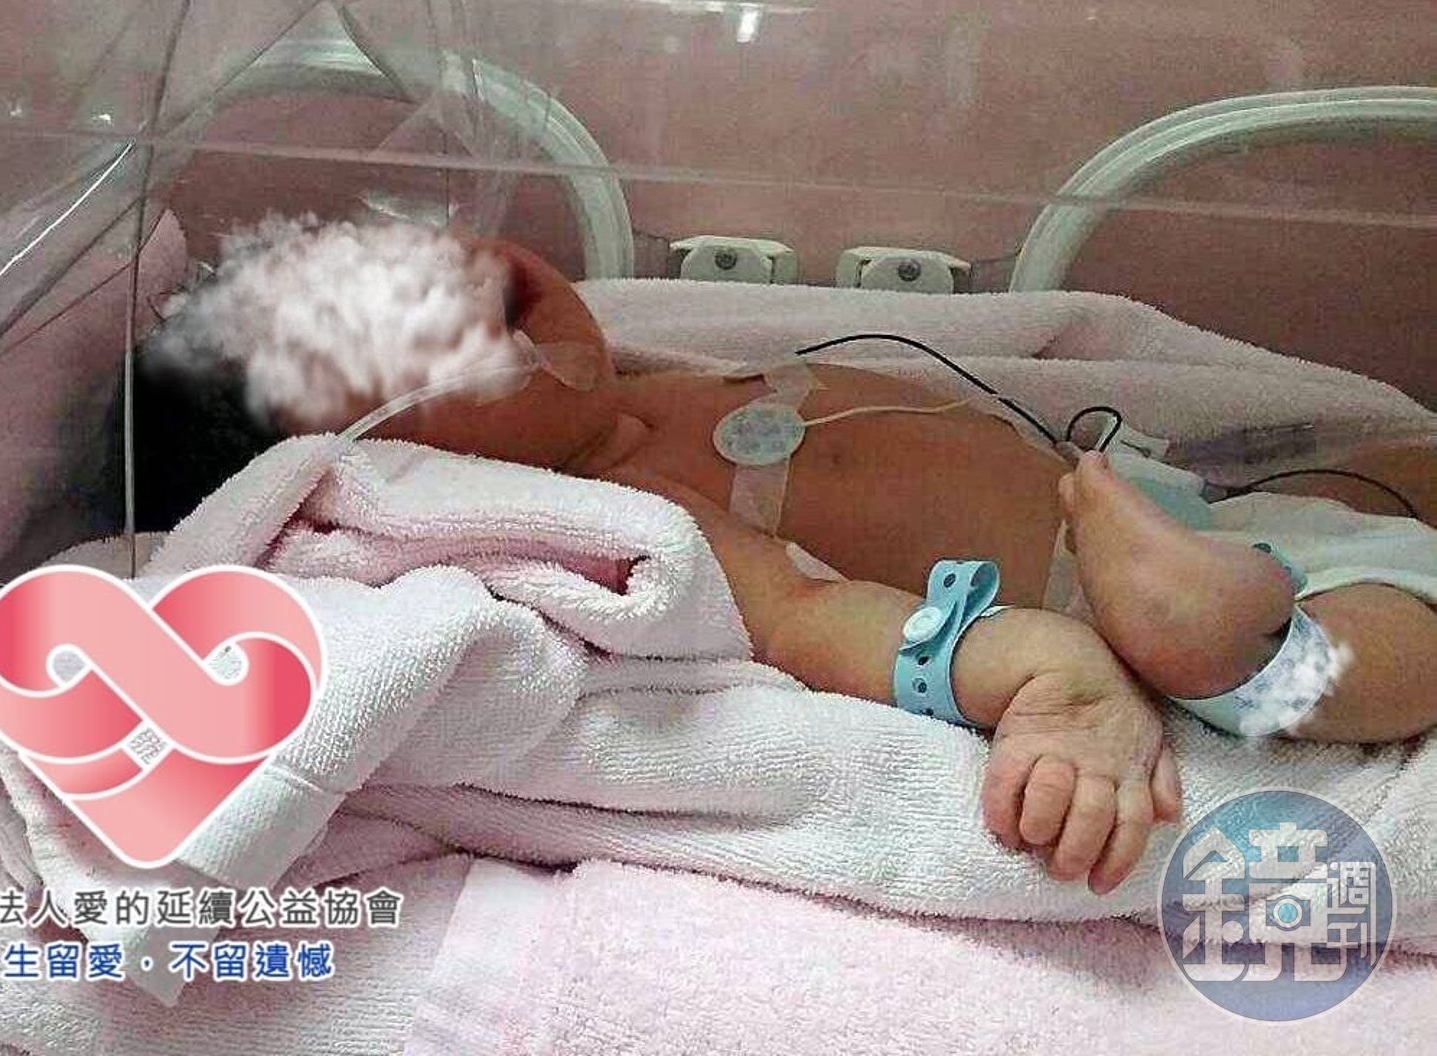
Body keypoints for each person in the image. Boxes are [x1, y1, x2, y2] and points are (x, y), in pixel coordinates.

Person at [126, 228, 1437, 896]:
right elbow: (815, 619)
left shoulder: (656, 381)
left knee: (1398, 474)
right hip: (1121, 596)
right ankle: (1231, 651)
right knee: (1381, 660)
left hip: (1197, 504)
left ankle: (1230, 603)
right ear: (382, 455)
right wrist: (1051, 678)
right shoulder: (640, 515)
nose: (457, 276)